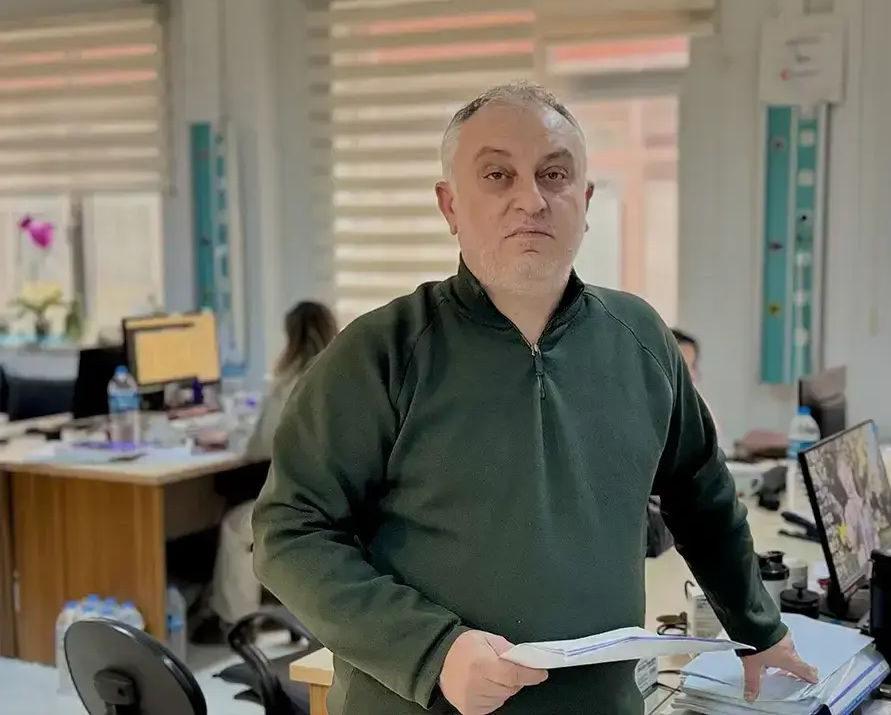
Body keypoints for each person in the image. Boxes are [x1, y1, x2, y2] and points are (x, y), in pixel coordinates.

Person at [252, 82, 816, 715]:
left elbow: (702, 495)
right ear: (450, 205)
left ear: (585, 200)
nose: (531, 199)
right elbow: (289, 532)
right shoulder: (379, 353)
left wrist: (758, 629)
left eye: (554, 174)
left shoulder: (640, 339)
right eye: (498, 175)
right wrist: (433, 651)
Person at [204, 301, 338, 635]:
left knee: (236, 525)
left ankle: (236, 623)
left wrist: (228, 437)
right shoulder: (346, 377)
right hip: (342, 502)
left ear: (290, 337)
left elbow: (257, 449)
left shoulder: (288, 384)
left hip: (306, 507)